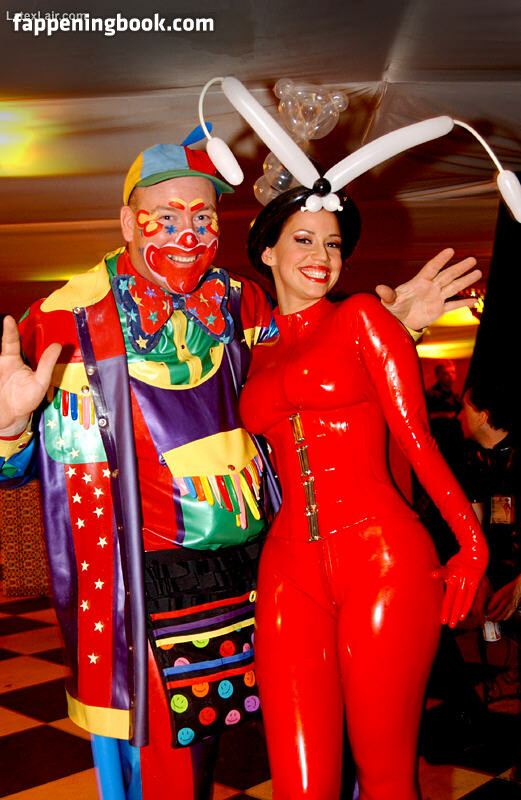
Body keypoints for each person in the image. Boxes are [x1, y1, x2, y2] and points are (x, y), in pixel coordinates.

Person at [0, 144, 484, 800]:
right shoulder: (67, 320)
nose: (187, 235)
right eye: (166, 217)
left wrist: (388, 328)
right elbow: (21, 468)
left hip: (262, 570)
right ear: (127, 221)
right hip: (155, 582)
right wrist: (8, 428)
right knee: (177, 772)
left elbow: (319, 357)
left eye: (202, 219)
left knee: (345, 749)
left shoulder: (240, 305)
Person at [239, 185, 488, 800]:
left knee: (386, 777)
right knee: (299, 787)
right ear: (267, 251)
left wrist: (472, 543)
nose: (322, 256)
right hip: (287, 567)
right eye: (303, 239)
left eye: (333, 244)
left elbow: (416, 439)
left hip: (382, 558)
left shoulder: (362, 318)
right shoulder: (254, 352)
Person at [458, 382, 519, 623]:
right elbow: (478, 527)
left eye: (464, 408)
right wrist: (479, 576)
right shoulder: (476, 462)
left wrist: (519, 588)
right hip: (500, 579)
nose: (459, 416)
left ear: (482, 416)